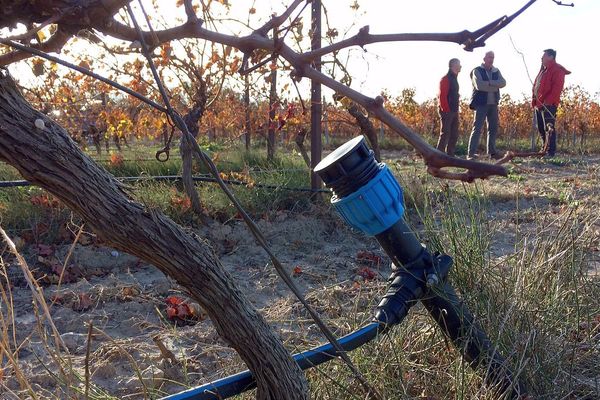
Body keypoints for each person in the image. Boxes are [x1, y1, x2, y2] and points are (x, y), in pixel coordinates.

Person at [467, 51, 506, 160]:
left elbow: (503, 83)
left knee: (493, 129)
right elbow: (479, 86)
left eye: (493, 57)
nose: (491, 59)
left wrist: (489, 83)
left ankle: (492, 153)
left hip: (493, 104)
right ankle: (470, 154)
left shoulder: (496, 70)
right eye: (489, 57)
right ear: (484, 58)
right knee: (477, 128)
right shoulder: (476, 71)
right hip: (481, 103)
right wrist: (494, 84)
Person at [532, 48, 571, 157]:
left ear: (551, 57)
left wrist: (547, 102)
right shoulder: (544, 70)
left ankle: (550, 152)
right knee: (541, 128)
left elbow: (556, 89)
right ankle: (544, 149)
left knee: (549, 128)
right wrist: (535, 101)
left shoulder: (557, 70)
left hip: (548, 105)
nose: (541, 58)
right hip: (539, 104)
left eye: (544, 56)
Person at [436, 58, 461, 156]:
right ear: (453, 66)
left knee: (454, 134)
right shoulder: (445, 79)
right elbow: (442, 96)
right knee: (445, 133)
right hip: (447, 110)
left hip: (454, 110)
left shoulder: (454, 78)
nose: (461, 66)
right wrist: (446, 109)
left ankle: (450, 154)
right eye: (459, 64)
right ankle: (438, 154)